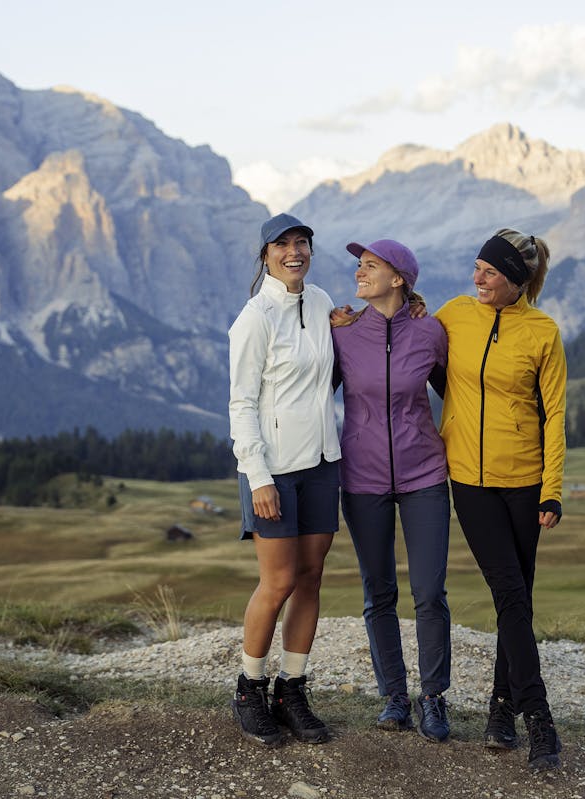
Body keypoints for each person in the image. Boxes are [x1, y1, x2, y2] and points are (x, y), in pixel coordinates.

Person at [432, 228, 568, 771]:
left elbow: (554, 414)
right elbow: (420, 348)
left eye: (489, 272)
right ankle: (539, 719)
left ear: (515, 280)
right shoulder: (454, 314)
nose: (477, 279)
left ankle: (500, 709)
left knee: (516, 601)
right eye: (477, 268)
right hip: (470, 480)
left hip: (526, 481)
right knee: (510, 593)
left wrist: (552, 489)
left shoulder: (542, 332)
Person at [329, 239, 454, 741]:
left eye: (371, 266)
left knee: (429, 592)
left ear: (399, 279)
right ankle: (395, 697)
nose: (360, 272)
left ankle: (434, 698)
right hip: (362, 477)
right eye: (359, 265)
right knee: (378, 591)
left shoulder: (429, 332)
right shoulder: (343, 334)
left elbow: (458, 394)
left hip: (425, 474)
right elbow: (310, 393)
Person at [228, 213, 341, 747]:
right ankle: (249, 689)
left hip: (322, 462)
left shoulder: (320, 302)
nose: (294, 252)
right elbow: (241, 403)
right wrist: (258, 476)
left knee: (311, 577)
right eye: (282, 245)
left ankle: (290, 690)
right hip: (272, 471)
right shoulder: (255, 317)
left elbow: (331, 368)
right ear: (266, 255)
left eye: (302, 243)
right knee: (277, 583)